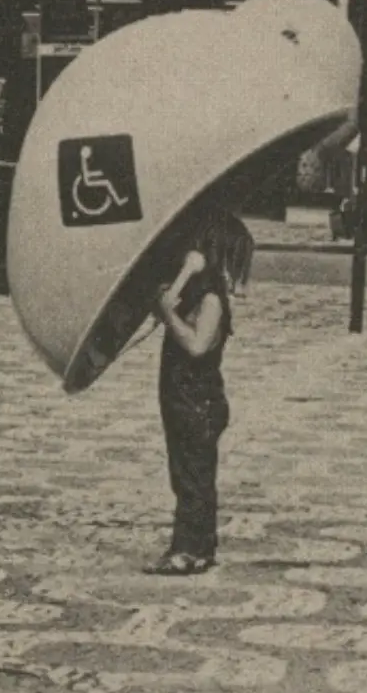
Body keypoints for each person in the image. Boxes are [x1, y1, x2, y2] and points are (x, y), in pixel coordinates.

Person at [145, 208, 253, 576]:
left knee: (193, 477)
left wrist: (169, 315)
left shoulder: (211, 301)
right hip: (185, 398)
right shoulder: (197, 295)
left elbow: (196, 345)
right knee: (188, 474)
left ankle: (187, 549)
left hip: (198, 401)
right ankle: (201, 547)